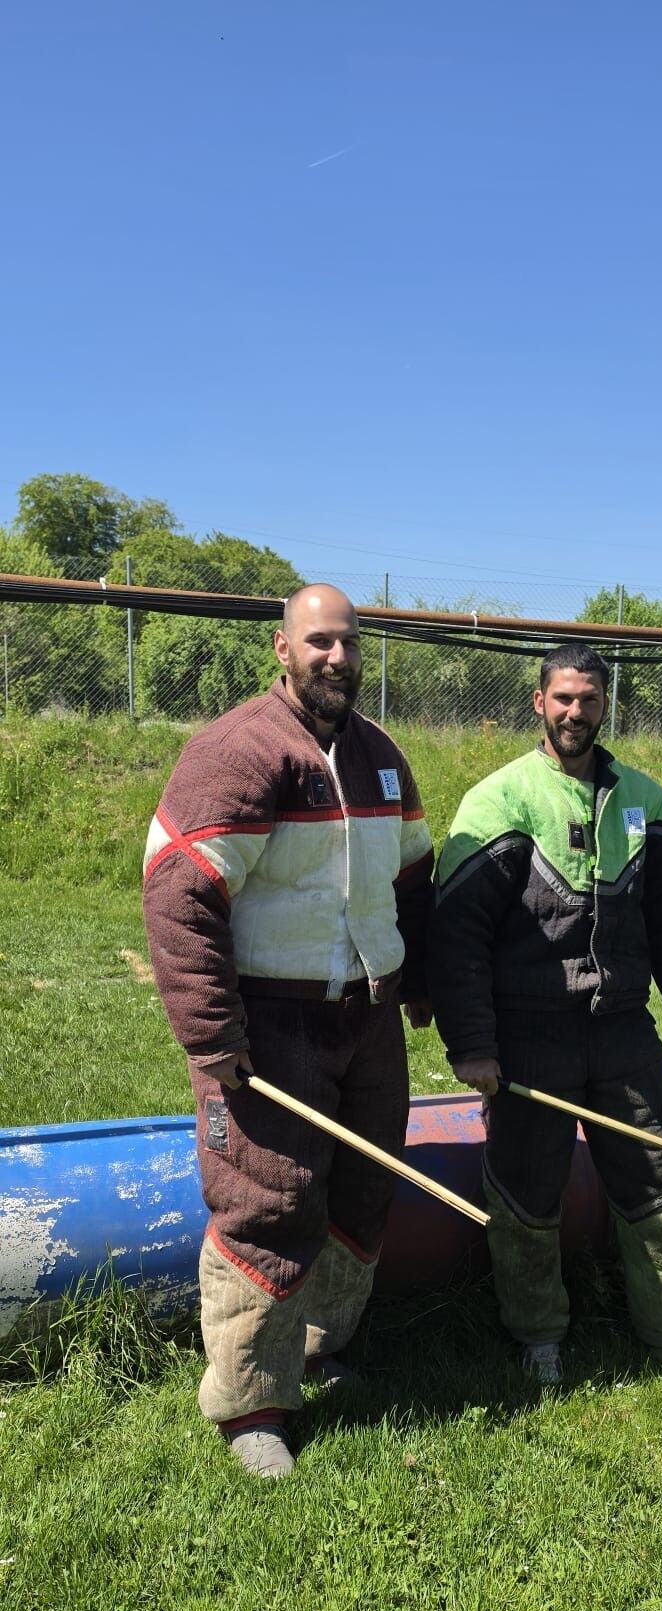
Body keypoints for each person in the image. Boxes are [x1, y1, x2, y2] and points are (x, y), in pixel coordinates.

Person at [143, 583, 433, 1476]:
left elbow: (414, 882)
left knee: (363, 1189)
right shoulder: (236, 751)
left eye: (348, 642)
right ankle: (250, 1404)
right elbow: (180, 889)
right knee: (269, 1201)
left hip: (367, 1018)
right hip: (270, 1025)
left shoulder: (382, 756)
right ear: (282, 647)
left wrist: (422, 984)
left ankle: (314, 1346)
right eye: (318, 642)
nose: (336, 657)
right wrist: (211, 1031)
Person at [427, 640, 662, 1386]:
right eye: (563, 698)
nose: (575, 711)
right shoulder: (499, 801)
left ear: (604, 706)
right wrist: (473, 1044)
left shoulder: (645, 801)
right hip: (529, 1035)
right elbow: (457, 935)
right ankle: (538, 1337)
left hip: (625, 1032)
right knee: (525, 1190)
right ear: (539, 702)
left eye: (589, 699)